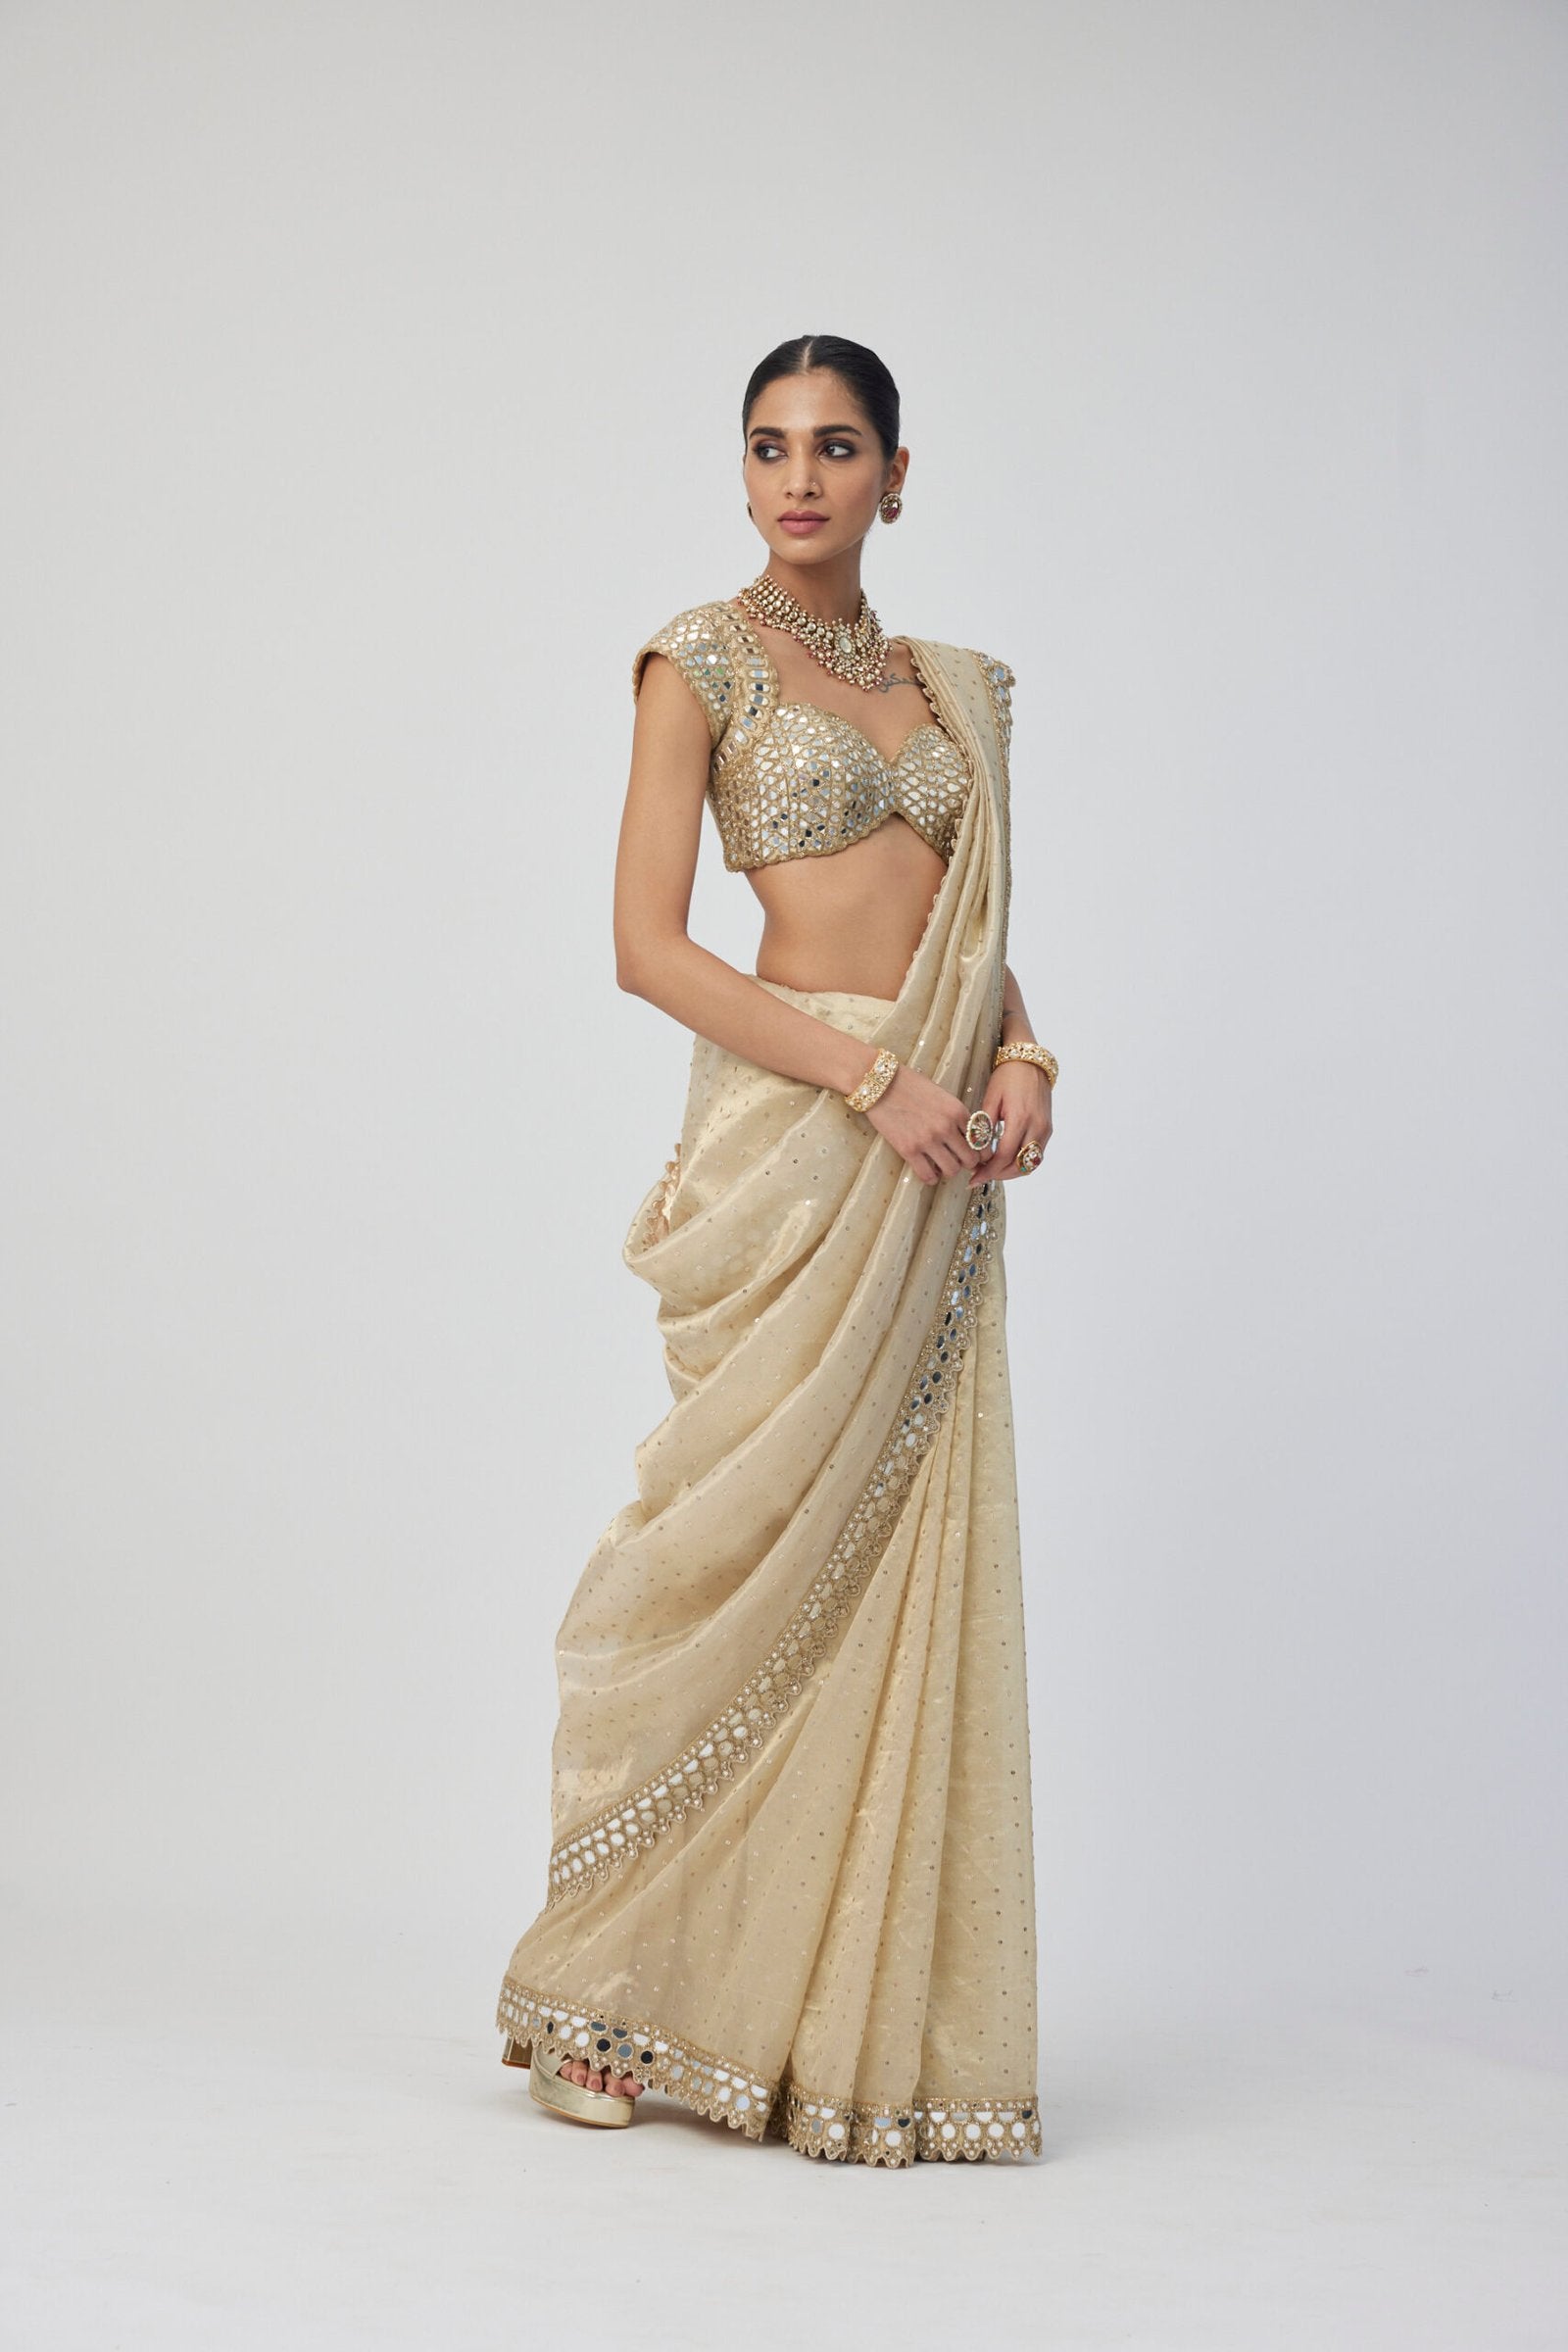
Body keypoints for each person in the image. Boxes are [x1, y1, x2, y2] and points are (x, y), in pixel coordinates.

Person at [493, 333, 1055, 2168]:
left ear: (897, 472)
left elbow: (971, 927)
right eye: (767, 446)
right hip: (802, 1136)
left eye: (835, 446)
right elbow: (648, 948)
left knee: (893, 1563)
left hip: (942, 1141)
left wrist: (1024, 1053)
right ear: (742, 474)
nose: (798, 478)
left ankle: (824, 2026)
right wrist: (871, 1078)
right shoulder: (700, 661)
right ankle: (598, 1992)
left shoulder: (958, 688)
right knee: (720, 1554)